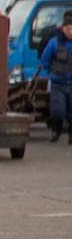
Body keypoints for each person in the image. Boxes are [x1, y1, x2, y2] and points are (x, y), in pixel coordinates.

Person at [39, 14, 72, 143]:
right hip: (58, 82)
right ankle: (56, 131)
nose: (71, 32)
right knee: (58, 110)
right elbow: (45, 61)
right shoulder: (54, 43)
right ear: (63, 29)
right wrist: (48, 77)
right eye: (68, 29)